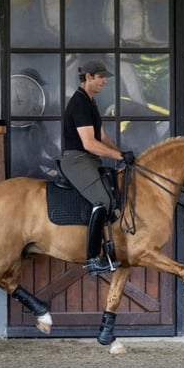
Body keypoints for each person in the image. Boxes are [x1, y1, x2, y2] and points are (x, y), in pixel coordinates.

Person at [60, 60, 135, 276]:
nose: (104, 81)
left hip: (89, 159)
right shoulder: (79, 104)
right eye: (101, 77)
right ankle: (93, 259)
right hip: (76, 160)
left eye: (105, 77)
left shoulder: (90, 102)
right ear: (89, 77)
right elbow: (90, 144)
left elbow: (102, 138)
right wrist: (119, 155)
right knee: (101, 201)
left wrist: (122, 154)